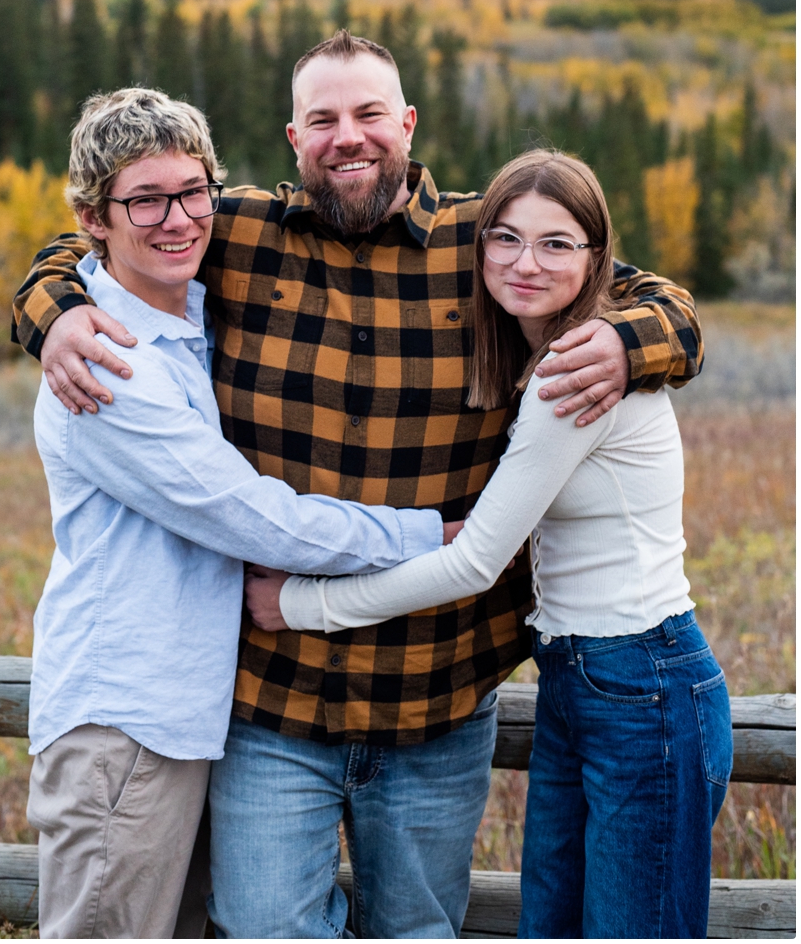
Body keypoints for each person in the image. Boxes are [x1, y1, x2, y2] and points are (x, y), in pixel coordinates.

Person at [12, 30, 704, 937]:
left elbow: (667, 302)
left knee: (417, 929)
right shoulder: (237, 233)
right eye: (324, 119)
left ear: (407, 123)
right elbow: (102, 238)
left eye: (371, 114)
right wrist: (51, 307)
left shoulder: (484, 243)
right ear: (293, 137)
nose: (350, 137)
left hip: (436, 694)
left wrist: (624, 340)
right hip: (274, 704)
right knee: (264, 929)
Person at [247, 149, 730, 939]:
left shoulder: (572, 373)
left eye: (555, 243)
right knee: (550, 922)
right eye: (504, 238)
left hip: (644, 677)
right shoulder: (541, 358)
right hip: (580, 678)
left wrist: (297, 600)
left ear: (596, 255)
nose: (524, 262)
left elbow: (473, 560)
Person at [26, 88, 455, 939]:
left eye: (194, 192)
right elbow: (253, 517)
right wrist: (421, 536)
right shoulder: (109, 364)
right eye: (145, 199)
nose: (178, 218)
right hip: (125, 720)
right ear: (93, 216)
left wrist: (47, 299)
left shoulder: (189, 311)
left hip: (188, 720)